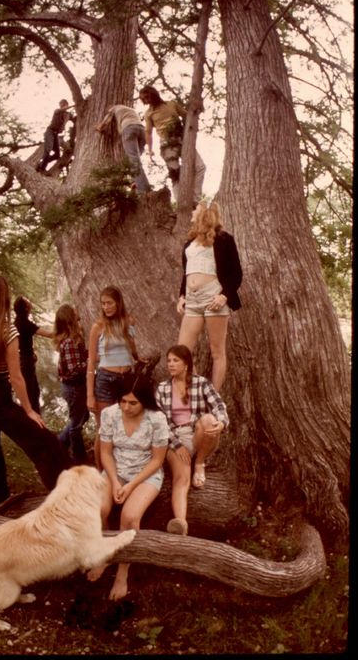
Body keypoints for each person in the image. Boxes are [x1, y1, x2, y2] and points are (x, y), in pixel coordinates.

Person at [0, 275, 69, 507]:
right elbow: (16, 376)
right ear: (4, 299)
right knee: (44, 442)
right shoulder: (8, 331)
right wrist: (29, 410)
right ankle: (63, 497)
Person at [87, 373, 169, 600]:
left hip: (145, 475)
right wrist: (114, 481)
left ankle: (123, 570)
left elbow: (157, 460)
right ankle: (105, 555)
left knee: (130, 517)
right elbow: (105, 452)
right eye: (122, 401)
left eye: (133, 403)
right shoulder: (110, 414)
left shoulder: (157, 419)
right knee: (99, 510)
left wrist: (131, 485)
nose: (126, 407)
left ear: (144, 401)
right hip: (115, 470)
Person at [156, 344, 229, 536]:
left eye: (175, 361)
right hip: (174, 438)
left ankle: (200, 462)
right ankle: (181, 524)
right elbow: (160, 422)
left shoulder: (201, 383)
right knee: (182, 479)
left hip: (198, 435)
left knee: (209, 420)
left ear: (186, 364)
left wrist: (222, 423)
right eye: (169, 361)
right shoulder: (163, 388)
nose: (171, 365)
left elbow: (219, 406)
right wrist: (177, 445)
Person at [177, 200, 242, 391]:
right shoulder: (190, 242)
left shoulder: (223, 239)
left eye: (194, 209)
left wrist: (225, 296)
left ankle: (214, 394)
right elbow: (186, 272)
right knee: (183, 351)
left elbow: (236, 273)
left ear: (204, 213)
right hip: (192, 299)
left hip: (213, 296)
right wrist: (182, 295)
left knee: (217, 351)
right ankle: (199, 390)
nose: (191, 213)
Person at [87, 286, 139, 469]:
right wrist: (90, 396)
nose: (106, 307)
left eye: (109, 303)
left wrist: (139, 359)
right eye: (103, 304)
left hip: (126, 378)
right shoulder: (98, 327)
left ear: (118, 303)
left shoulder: (128, 322)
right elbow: (91, 363)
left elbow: (132, 348)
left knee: (126, 424)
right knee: (104, 430)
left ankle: (122, 468)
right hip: (106, 380)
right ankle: (102, 472)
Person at [139, 84, 206, 202]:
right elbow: (148, 132)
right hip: (167, 145)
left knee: (200, 167)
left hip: (182, 141)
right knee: (175, 176)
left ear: (154, 94)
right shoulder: (148, 113)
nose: (146, 100)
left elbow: (187, 115)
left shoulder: (171, 104)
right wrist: (149, 149)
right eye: (143, 99)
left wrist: (197, 111)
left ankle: (196, 199)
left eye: (147, 97)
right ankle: (180, 204)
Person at [53, 303, 90, 465]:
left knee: (83, 416)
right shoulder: (69, 342)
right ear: (70, 319)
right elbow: (75, 369)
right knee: (76, 425)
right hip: (74, 387)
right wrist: (91, 361)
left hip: (74, 386)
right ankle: (79, 458)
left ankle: (60, 442)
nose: (78, 316)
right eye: (75, 314)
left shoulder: (71, 340)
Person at [95, 104, 150, 193]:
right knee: (136, 159)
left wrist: (100, 127)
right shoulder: (131, 110)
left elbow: (106, 120)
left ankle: (143, 190)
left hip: (129, 129)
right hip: (142, 131)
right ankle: (135, 180)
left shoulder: (114, 108)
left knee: (134, 160)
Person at [13, 296, 52, 413]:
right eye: (28, 303)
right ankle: (34, 420)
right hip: (26, 361)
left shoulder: (17, 322)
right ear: (25, 308)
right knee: (32, 392)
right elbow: (49, 334)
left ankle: (33, 417)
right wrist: (67, 330)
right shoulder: (25, 323)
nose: (31, 304)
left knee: (31, 390)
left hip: (23, 359)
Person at [37, 99, 74, 173]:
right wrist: (74, 105)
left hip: (56, 134)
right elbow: (61, 110)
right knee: (48, 149)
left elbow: (73, 118)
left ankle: (41, 164)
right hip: (50, 132)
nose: (62, 106)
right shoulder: (57, 111)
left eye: (63, 105)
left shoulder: (67, 114)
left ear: (67, 104)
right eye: (61, 105)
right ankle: (42, 169)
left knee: (57, 155)